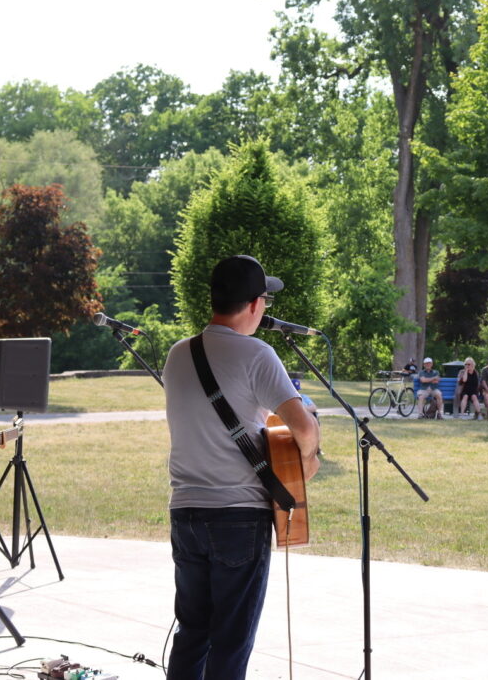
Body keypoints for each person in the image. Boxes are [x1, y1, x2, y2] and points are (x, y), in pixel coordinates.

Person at [162, 255, 321, 679]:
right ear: (254, 305)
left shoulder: (178, 355)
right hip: (238, 516)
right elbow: (303, 428)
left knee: (193, 632)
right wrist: (307, 461)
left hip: (185, 512)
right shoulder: (257, 354)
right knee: (231, 641)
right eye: (265, 299)